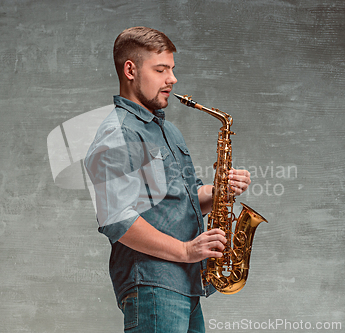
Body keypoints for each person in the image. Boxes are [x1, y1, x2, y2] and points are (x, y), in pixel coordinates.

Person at [84, 26, 251, 332]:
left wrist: (219, 191)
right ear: (130, 70)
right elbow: (117, 219)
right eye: (160, 70)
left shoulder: (167, 131)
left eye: (172, 70)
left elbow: (180, 200)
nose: (172, 79)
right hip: (153, 284)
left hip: (186, 283)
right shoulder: (118, 133)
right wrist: (187, 251)